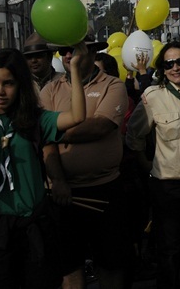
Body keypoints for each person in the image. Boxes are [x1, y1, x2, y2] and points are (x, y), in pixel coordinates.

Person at [0, 46, 87, 288]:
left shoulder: (35, 120)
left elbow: (77, 116)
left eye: (8, 83)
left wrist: (74, 69)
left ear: (20, 85)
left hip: (33, 226)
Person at [39, 31, 130, 289]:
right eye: (63, 51)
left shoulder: (112, 85)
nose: (68, 56)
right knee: (69, 267)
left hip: (105, 189)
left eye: (75, 49)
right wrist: (57, 180)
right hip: (63, 193)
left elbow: (100, 127)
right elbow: (45, 144)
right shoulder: (50, 90)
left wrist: (53, 130)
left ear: (92, 52)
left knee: (110, 264)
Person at [126, 42, 180, 289]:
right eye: (169, 64)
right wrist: (146, 165)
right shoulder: (154, 96)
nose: (175, 67)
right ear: (162, 69)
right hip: (167, 186)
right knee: (169, 249)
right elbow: (134, 135)